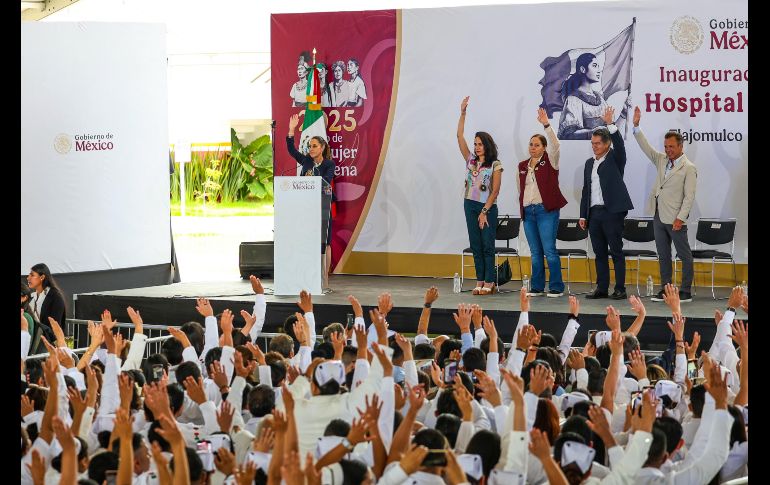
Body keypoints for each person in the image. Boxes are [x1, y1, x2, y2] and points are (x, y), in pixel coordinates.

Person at [632, 106, 697, 303]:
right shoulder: (661, 160)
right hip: (658, 215)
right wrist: (636, 126)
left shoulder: (689, 168)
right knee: (664, 255)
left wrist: (681, 217)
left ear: (681, 147)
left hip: (676, 218)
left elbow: (690, 196)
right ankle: (666, 289)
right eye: (666, 146)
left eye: (672, 147)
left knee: (684, 255)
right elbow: (646, 147)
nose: (668, 150)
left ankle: (685, 290)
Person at [579, 107, 633, 300]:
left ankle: (620, 288)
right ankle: (601, 288)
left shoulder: (616, 159)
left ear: (607, 144)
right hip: (594, 214)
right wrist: (583, 215)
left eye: (598, 143)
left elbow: (620, 144)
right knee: (599, 252)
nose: (594, 146)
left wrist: (610, 124)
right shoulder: (588, 163)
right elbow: (587, 190)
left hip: (612, 212)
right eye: (592, 143)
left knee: (616, 251)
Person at [518, 108, 568, 297]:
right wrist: (523, 207)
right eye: (531, 144)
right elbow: (520, 189)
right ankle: (537, 286)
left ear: (544, 148)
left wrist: (546, 124)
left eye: (537, 145)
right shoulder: (522, 166)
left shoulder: (551, 160)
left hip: (546, 211)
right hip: (528, 212)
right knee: (535, 252)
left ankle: (556, 287)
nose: (533, 147)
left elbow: (556, 145)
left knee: (549, 250)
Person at [457, 96, 503, 295]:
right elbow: (459, 137)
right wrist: (463, 113)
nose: (476, 147)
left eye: (480, 144)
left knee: (487, 245)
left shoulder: (495, 164)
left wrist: (485, 211)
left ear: (487, 145)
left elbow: (495, 191)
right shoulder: (470, 160)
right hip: (469, 204)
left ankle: (490, 282)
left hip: (487, 207)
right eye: (475, 144)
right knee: (475, 245)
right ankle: (480, 280)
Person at [287, 114, 336, 290]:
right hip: (305, 208)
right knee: (307, 241)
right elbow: (292, 151)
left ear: (322, 148)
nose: (311, 148)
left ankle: (324, 279)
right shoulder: (306, 160)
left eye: (314, 146)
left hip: (322, 208)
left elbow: (326, 182)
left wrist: (314, 176)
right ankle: (305, 276)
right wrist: (292, 130)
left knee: (325, 243)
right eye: (309, 146)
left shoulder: (329, 165)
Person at [557, 53, 631, 140]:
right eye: (595, 66)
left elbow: (611, 133)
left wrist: (623, 113)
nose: (599, 70)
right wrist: (597, 132)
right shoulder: (574, 100)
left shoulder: (600, 99)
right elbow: (570, 134)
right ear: (583, 69)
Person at [27, 263, 67, 352]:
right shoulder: (32, 296)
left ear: (42, 277)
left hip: (48, 344)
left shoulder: (55, 296)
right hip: (35, 341)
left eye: (32, 275)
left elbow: (55, 325)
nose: (28, 278)